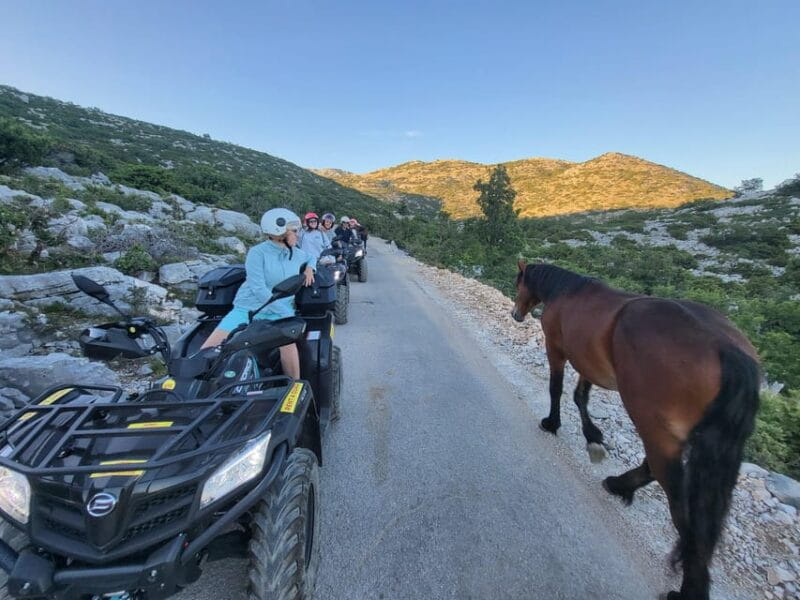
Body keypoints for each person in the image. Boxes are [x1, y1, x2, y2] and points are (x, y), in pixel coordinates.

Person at [200, 208, 314, 379]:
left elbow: (311, 257)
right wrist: (285, 313)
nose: (297, 235)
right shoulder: (257, 253)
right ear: (279, 233)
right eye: (294, 231)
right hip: (249, 308)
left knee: (288, 346)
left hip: (279, 312)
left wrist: (310, 268)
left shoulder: (296, 253)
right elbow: (258, 288)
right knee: (208, 350)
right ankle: (200, 384)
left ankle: (294, 385)